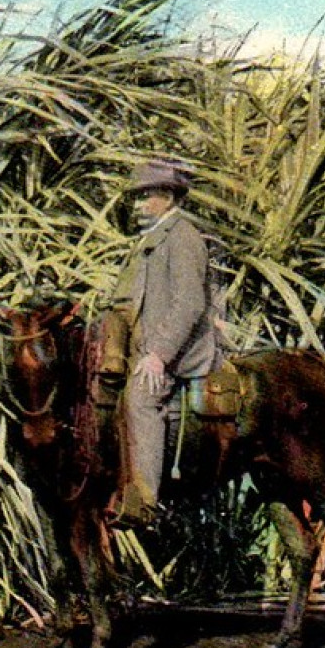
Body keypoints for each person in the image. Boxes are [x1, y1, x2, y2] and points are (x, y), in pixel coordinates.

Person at [107, 160, 218, 528]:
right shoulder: (150, 239)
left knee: (141, 399)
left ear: (168, 197)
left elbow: (189, 303)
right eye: (135, 199)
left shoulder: (182, 237)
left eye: (145, 198)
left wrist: (158, 355)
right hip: (142, 347)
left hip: (180, 352)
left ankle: (146, 502)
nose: (137, 206)